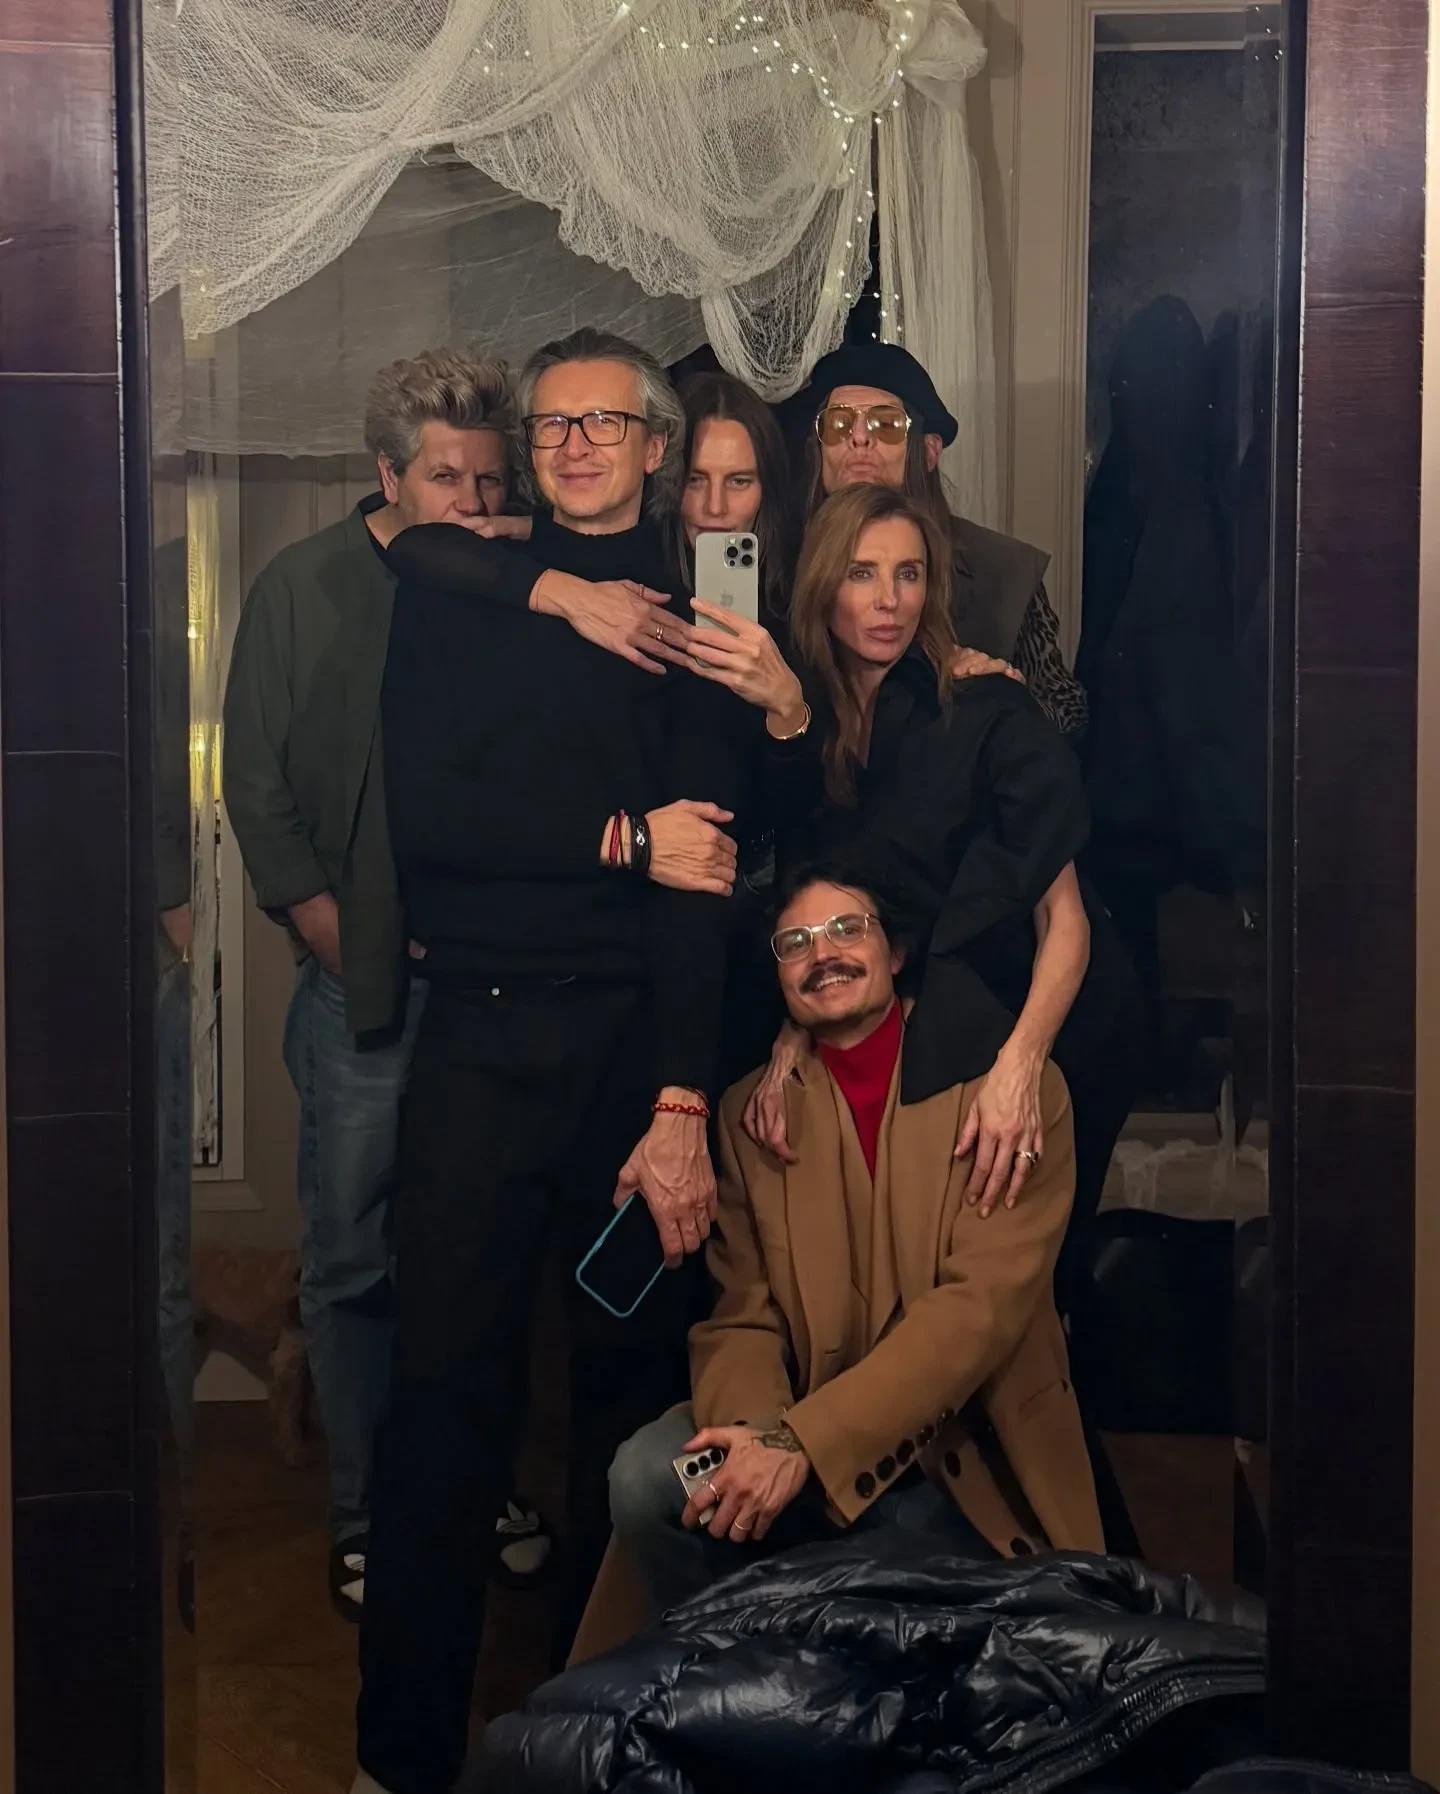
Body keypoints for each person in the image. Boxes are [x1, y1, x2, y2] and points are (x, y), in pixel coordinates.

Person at [353, 329, 753, 1794]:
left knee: (625, 1402)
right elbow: (436, 828)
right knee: (441, 1398)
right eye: (554, 424)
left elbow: (707, 883)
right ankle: (401, 1756)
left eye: (606, 421)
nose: (578, 443)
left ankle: (603, 1747)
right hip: (477, 1039)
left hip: (632, 1060)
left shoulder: (707, 609)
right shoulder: (462, 590)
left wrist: (682, 1103)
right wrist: (623, 838)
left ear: (655, 445)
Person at [222, 349, 549, 1619]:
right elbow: (255, 783)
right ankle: (368, 1518)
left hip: (491, 986)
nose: (471, 502)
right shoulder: (303, 587)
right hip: (357, 991)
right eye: (446, 479)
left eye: (488, 480)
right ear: (388, 475)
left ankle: (477, 1490)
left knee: (476, 1259)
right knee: (356, 1263)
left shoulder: (525, 585)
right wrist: (328, 930)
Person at [687, 485, 1139, 1308]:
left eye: (909, 573)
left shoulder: (986, 706)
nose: (890, 600)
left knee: (1032, 1273)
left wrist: (1021, 1068)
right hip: (955, 1008)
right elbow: (821, 889)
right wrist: (795, 1025)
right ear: (823, 584)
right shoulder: (819, 725)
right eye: (862, 573)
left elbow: (1065, 921)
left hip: (1056, 1009)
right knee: (950, 1263)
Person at [608, 866, 1103, 1616]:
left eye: (847, 929)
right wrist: (754, 1441)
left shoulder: (1007, 1097)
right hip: (800, 1456)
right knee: (648, 1476)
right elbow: (742, 1317)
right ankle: (740, 1659)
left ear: (896, 952)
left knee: (895, 1587)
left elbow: (974, 1315)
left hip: (957, 1471)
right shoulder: (750, 1113)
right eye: (795, 943)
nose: (822, 955)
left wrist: (803, 1445)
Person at [797, 340, 1089, 740]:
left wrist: (1008, 698)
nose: (859, 437)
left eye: (886, 424)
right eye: (840, 423)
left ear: (929, 450)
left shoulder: (1000, 569)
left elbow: (1068, 712)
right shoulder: (784, 561)